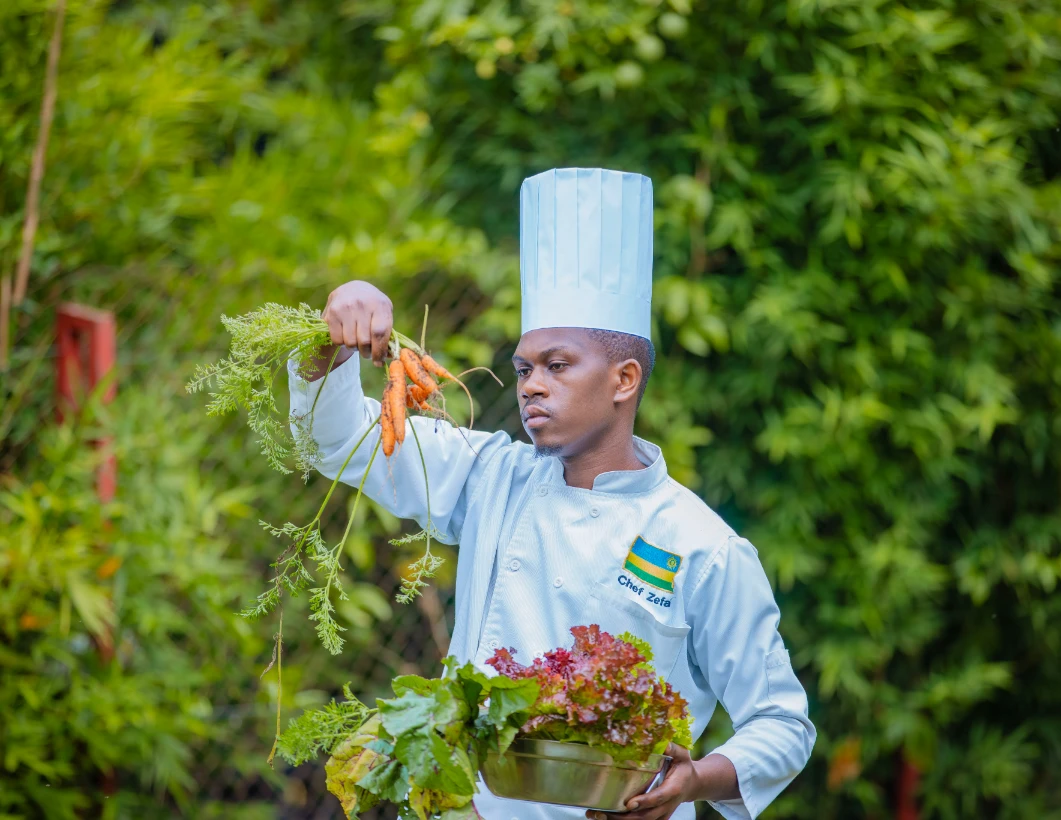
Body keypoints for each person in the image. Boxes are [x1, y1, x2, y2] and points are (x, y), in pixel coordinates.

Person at [288, 168, 815, 820]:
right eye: (522, 369)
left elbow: (783, 724)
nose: (531, 385)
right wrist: (327, 346)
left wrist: (695, 778)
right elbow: (338, 441)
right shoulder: (489, 478)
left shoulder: (701, 546)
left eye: (557, 365)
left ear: (623, 379)